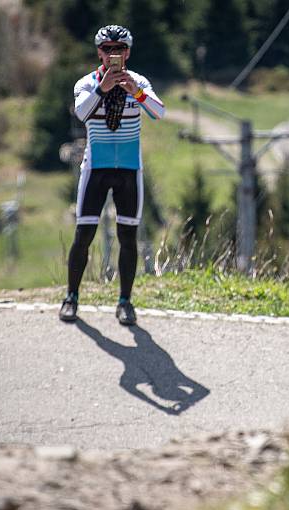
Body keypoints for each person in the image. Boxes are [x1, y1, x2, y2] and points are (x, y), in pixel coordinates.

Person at [59, 25, 165, 325]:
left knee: (127, 237)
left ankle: (124, 302)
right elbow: (81, 113)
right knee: (84, 236)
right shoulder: (86, 83)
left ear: (128, 53)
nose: (112, 54)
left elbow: (159, 113)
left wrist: (137, 92)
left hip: (129, 169)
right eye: (107, 49)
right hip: (96, 169)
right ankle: (71, 297)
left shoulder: (139, 81)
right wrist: (103, 89)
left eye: (119, 49)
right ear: (99, 52)